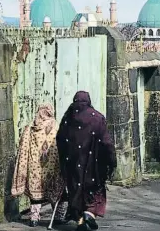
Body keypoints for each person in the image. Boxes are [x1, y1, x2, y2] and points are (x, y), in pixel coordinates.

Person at [56, 91, 117, 231]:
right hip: (93, 164)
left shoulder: (67, 117)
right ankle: (88, 215)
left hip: (72, 163)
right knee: (94, 191)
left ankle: (81, 219)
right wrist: (112, 161)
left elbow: (60, 139)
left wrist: (64, 160)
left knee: (76, 189)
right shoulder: (97, 118)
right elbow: (107, 143)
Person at [11, 103, 68, 227]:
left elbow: (23, 148)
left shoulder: (30, 128)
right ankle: (59, 216)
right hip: (53, 167)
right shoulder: (57, 127)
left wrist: (22, 167)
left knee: (35, 195)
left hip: (35, 167)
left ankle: (34, 218)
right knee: (58, 192)